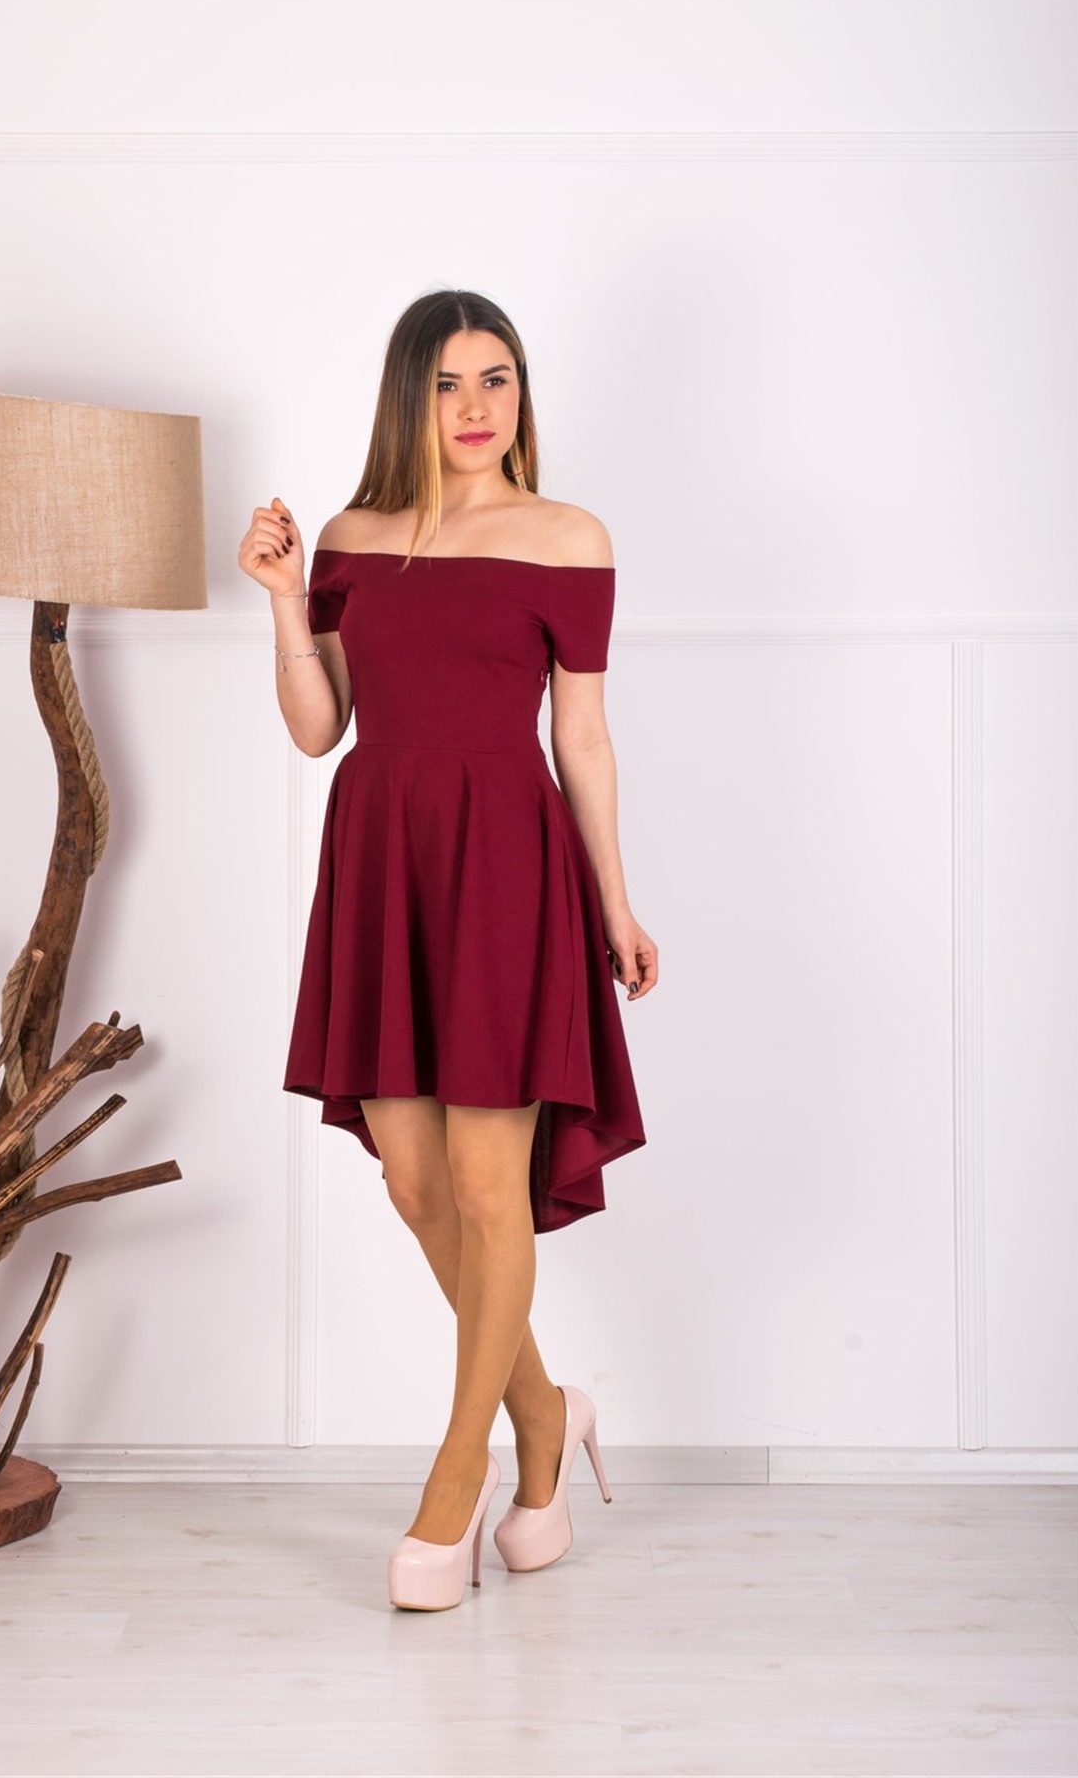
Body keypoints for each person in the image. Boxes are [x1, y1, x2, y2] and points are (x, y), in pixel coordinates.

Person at [239, 288, 657, 1611]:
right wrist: (283, 602)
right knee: (417, 1187)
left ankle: (455, 1476)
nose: (476, 408)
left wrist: (615, 904)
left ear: (521, 395)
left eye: (498, 379)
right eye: (447, 384)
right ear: (406, 398)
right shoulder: (353, 536)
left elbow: (581, 736)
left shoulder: (568, 537)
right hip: (383, 862)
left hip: (507, 870)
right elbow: (321, 729)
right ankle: (548, 1413)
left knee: (489, 1190)